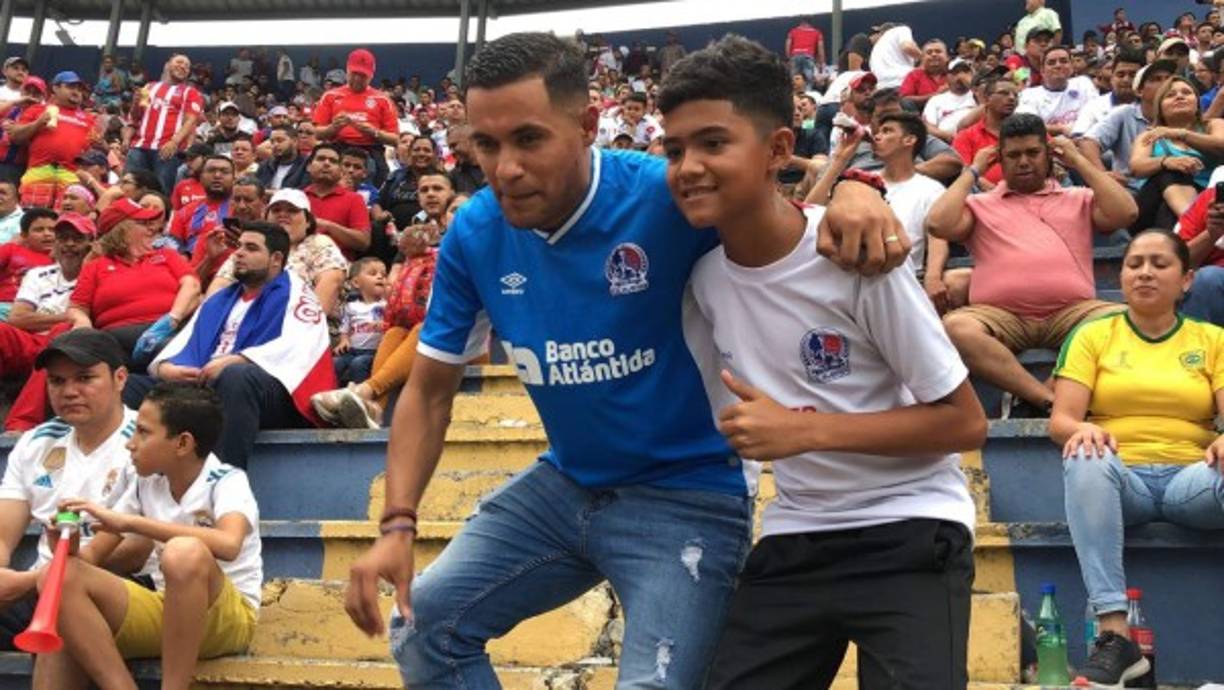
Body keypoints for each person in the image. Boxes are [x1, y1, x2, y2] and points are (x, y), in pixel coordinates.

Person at [339, 31, 904, 688]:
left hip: (691, 493)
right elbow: (430, 390)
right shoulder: (476, 229)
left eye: (529, 139)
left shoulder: (666, 198)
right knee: (423, 627)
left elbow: (777, 219)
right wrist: (398, 523)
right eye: (485, 145)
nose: (505, 168)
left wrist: (857, 191)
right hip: (565, 483)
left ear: (587, 126)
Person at [656, 35, 985, 689]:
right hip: (797, 534)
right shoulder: (704, 283)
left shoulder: (854, 256)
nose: (688, 167)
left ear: (779, 149)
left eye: (713, 143)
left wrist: (805, 431)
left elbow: (964, 422)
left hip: (910, 523)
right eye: (673, 150)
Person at [1049, 229, 1224, 687]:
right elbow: (1061, 421)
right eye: (1134, 264)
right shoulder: (1092, 335)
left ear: (1187, 280)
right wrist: (1082, 428)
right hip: (1122, 479)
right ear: (1121, 276)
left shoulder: (1213, 339)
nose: (1145, 272)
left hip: (1194, 480)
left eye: (1159, 264)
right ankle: (1115, 635)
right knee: (1084, 456)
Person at [32, 382, 262, 690]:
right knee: (57, 577)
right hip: (168, 612)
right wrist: (66, 542)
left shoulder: (227, 481)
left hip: (228, 620)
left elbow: (229, 544)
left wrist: (133, 523)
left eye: (142, 432)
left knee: (183, 552)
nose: (130, 444)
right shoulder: (145, 483)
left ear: (182, 443)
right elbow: (89, 559)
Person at [929, 114, 1139, 414]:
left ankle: (1040, 396)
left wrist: (1078, 161)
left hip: (1072, 311)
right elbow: (937, 224)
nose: (1024, 162)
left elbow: (1127, 213)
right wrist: (973, 170)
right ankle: (1046, 399)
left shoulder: (1078, 198)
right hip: (1000, 316)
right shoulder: (979, 205)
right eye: (1013, 155)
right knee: (956, 327)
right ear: (999, 158)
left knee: (1124, 321)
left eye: (1033, 152)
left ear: (1049, 153)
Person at [141, 222, 335, 468]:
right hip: (207, 385)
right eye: (239, 246)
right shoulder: (221, 298)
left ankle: (223, 480)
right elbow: (183, 343)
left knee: (236, 376)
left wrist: (239, 359)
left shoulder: (297, 294)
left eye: (251, 248)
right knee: (129, 386)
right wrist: (166, 368)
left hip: (271, 396)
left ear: (276, 259)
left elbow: (302, 345)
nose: (238, 253)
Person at [0, 329, 145, 650]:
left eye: (84, 378)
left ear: (120, 379)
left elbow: (136, 551)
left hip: (119, 588)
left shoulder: (147, 440)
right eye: (57, 381)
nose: (69, 392)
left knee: (67, 611)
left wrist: (30, 581)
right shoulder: (35, 442)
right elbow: (3, 534)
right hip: (40, 587)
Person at [68, 198, 201, 357]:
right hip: (119, 338)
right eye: (143, 223)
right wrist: (82, 322)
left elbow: (192, 286)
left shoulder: (167, 255)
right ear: (121, 230)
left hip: (172, 328)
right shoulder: (96, 266)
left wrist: (172, 319)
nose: (152, 228)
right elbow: (77, 307)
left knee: (173, 346)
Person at [207, 188, 347, 324]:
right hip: (244, 323)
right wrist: (210, 323)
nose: (283, 214)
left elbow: (332, 281)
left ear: (308, 221)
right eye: (276, 210)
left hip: (301, 325)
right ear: (266, 218)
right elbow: (220, 285)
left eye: (292, 210)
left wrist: (306, 326)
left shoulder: (319, 243)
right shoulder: (251, 246)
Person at [0, 212, 91, 379]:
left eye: (77, 238)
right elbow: (17, 318)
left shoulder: (98, 273)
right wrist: (71, 317)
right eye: (63, 238)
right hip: (30, 341)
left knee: (62, 332)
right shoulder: (37, 274)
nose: (69, 244)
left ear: (91, 244)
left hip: (70, 344)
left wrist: (55, 321)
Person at [1131, 76, 1224, 229]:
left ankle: (1188, 228)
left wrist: (1181, 134)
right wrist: (1166, 162)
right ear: (1160, 108)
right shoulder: (1150, 135)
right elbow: (1136, 167)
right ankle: (1195, 224)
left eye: (1186, 93)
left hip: (1208, 200)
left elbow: (1221, 145)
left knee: (1167, 211)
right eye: (1170, 95)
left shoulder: (1213, 125)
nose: (1179, 96)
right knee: (1170, 172)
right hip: (1151, 202)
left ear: (1197, 103)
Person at [1081, 60, 1177, 192]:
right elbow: (1088, 143)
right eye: (1156, 79)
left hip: (1176, 187)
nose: (1166, 84)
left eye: (1169, 78)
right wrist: (1102, 176)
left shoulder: (1184, 112)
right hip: (1132, 190)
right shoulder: (1125, 113)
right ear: (1139, 91)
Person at [8, 71, 97, 209]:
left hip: (71, 176)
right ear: (55, 88)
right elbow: (15, 136)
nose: (76, 92)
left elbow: (92, 150)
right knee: (33, 217)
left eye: (79, 89)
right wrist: (38, 123)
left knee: (64, 218)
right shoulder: (37, 109)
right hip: (39, 172)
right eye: (71, 87)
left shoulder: (89, 119)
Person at [312, 49, 398, 187]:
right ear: (347, 71)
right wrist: (333, 128)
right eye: (354, 74)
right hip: (338, 148)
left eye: (363, 75)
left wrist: (374, 132)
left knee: (379, 181)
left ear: (371, 76)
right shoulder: (330, 96)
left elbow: (395, 139)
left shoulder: (382, 99)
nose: (357, 79)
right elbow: (316, 133)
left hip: (371, 150)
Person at [303, 143, 371, 259]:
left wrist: (328, 226)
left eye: (333, 161)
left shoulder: (354, 199)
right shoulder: (298, 197)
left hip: (337, 264)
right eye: (321, 159)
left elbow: (363, 242)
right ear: (309, 166)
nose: (327, 163)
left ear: (340, 170)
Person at [953, 75, 1019, 191]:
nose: (1012, 98)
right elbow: (963, 171)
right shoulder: (966, 136)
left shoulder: (1029, 131)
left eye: (1016, 95)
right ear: (987, 99)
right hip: (982, 195)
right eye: (1004, 93)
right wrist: (996, 192)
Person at [1017, 45, 1100, 136]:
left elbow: (1096, 114)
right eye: (1051, 63)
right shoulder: (1029, 94)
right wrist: (1061, 129)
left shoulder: (1083, 83)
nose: (1058, 65)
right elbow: (1027, 125)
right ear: (1042, 70)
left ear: (1071, 67)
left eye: (1063, 61)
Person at [333, 257, 387, 386]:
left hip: (374, 352)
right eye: (373, 273)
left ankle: (360, 393)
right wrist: (344, 340)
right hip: (353, 350)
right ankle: (329, 390)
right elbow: (345, 327)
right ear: (356, 282)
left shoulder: (386, 305)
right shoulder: (351, 306)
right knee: (335, 362)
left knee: (359, 363)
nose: (380, 277)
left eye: (384, 275)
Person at [169, 155, 234, 260]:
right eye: (211, 171)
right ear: (201, 177)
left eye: (224, 172)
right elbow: (172, 247)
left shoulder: (243, 211)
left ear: (234, 179)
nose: (217, 175)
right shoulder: (184, 213)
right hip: (192, 267)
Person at [1072, 49, 1142, 140]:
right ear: (1112, 78)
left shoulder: (1150, 107)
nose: (1126, 80)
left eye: (1133, 75)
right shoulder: (1094, 106)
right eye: (1120, 75)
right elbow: (1078, 138)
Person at [0, 207, 55, 320]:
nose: (47, 234)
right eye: (39, 230)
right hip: (5, 305)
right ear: (24, 235)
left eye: (52, 229)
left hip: (40, 313)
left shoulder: (63, 260)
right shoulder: (11, 249)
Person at [924, 58, 978, 143]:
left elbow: (987, 104)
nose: (960, 76)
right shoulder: (936, 100)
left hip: (975, 140)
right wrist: (948, 136)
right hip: (945, 142)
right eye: (955, 72)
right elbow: (928, 127)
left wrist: (969, 82)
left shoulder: (978, 96)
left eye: (965, 72)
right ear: (947, 76)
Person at [595, 92, 663, 148]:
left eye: (637, 109)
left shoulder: (649, 121)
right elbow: (616, 144)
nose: (632, 112)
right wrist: (632, 126)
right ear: (624, 109)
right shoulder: (618, 122)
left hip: (645, 150)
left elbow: (656, 139)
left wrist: (646, 156)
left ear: (644, 111)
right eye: (629, 108)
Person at [255, 124, 309, 191]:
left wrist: (268, 193)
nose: (275, 145)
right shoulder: (266, 165)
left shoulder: (305, 165)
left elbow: (301, 192)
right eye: (272, 142)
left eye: (280, 141)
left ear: (295, 141)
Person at [900, 39, 950, 109]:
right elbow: (905, 99)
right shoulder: (914, 75)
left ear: (947, 57)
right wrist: (936, 95)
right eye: (929, 52)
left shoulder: (956, 74)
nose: (934, 54)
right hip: (921, 113)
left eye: (938, 51)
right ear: (922, 58)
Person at [869, 23, 921, 89]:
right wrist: (924, 57)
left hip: (881, 88)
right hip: (902, 83)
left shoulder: (875, 51)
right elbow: (907, 47)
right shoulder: (902, 29)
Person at [785, 17, 825, 87]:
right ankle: (808, 92)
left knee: (793, 81)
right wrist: (821, 63)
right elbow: (820, 48)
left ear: (801, 22)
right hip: (808, 57)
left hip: (795, 56)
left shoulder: (793, 31)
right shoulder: (817, 32)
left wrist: (788, 58)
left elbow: (788, 44)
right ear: (810, 23)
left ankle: (794, 92)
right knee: (808, 81)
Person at [446, 124, 485, 195]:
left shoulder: (496, 167)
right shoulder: (453, 176)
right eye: (450, 148)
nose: (452, 152)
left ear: (472, 141)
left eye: (454, 145)